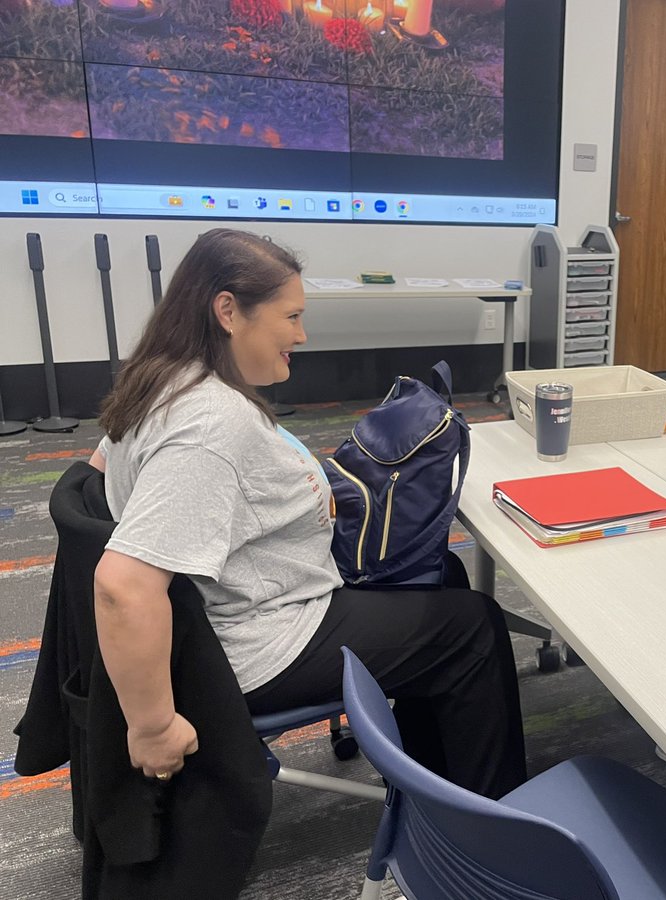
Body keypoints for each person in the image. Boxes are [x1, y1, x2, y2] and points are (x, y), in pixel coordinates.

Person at [89, 228, 527, 800]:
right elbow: (121, 586)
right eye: (290, 317)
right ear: (228, 311)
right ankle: (493, 825)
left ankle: (436, 784)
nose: (302, 334)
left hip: (240, 605)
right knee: (474, 627)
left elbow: (98, 474)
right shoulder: (207, 427)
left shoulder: (160, 378)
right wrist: (154, 727)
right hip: (259, 639)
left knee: (441, 575)